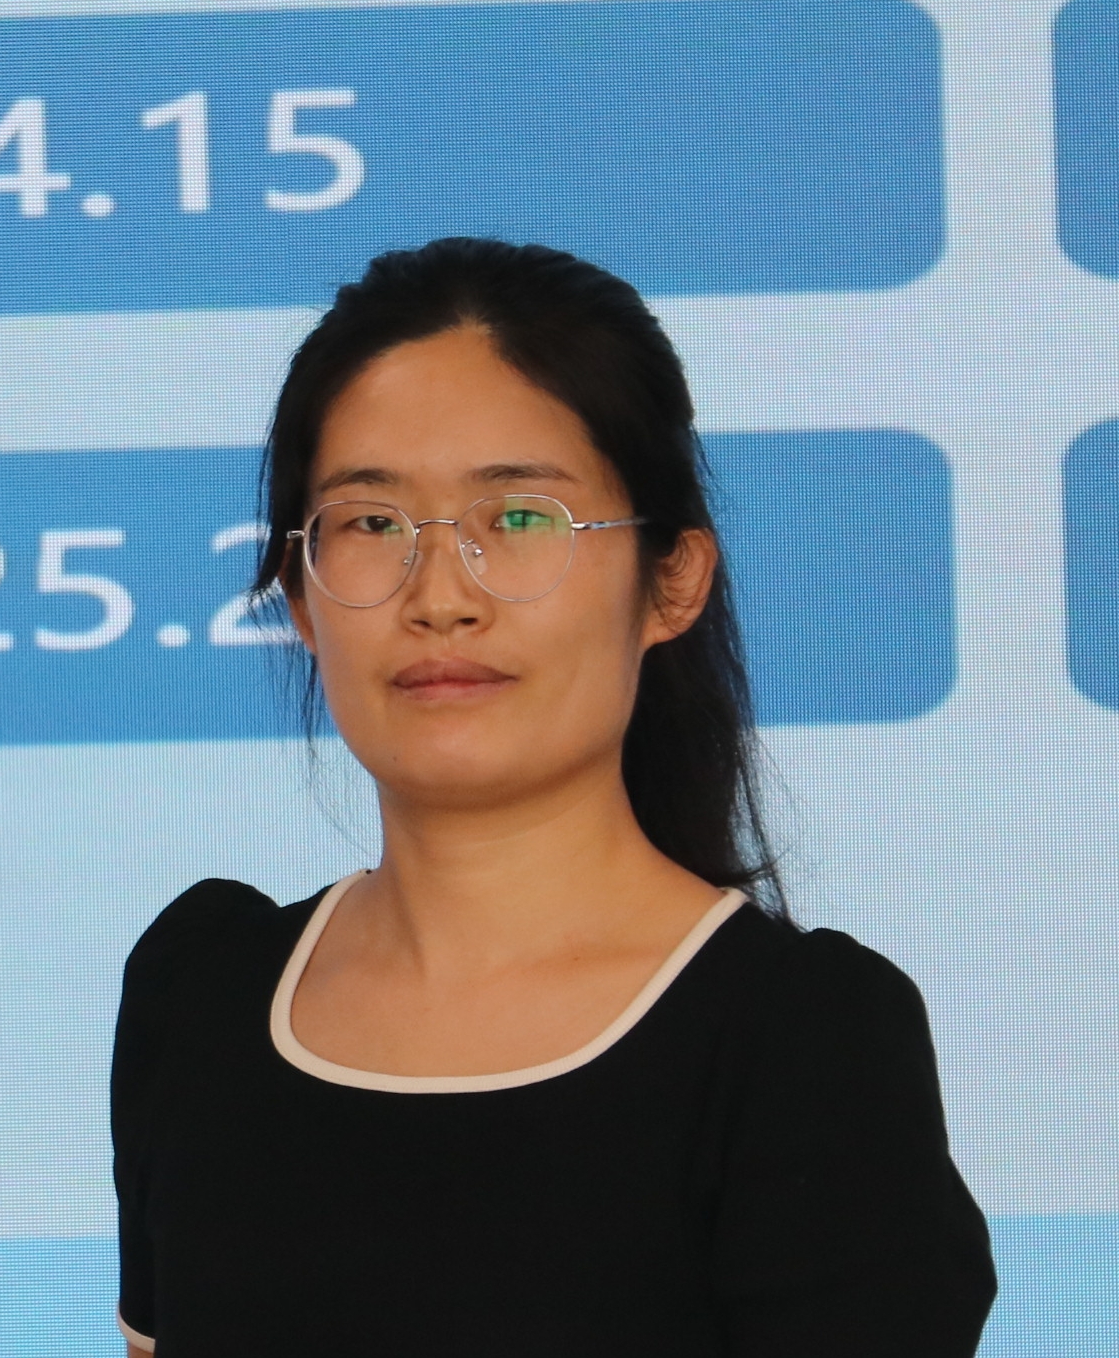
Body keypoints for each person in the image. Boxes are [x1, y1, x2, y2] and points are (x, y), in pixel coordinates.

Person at [111, 238, 996, 1355]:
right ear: (298, 594)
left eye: (520, 519)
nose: (441, 595)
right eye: (373, 524)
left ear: (672, 579)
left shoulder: (800, 1044)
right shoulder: (201, 991)